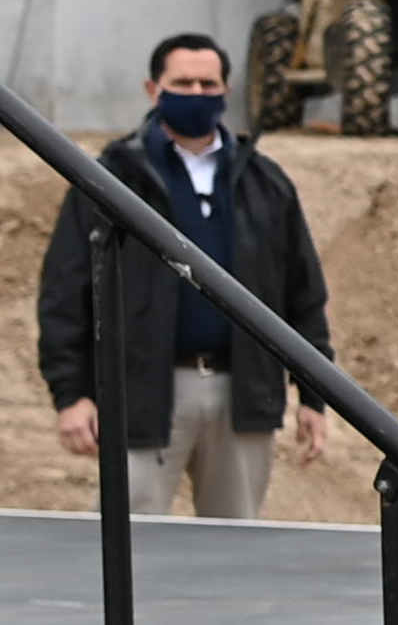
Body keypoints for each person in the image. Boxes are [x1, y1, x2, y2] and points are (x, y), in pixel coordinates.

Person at [35, 33, 335, 518]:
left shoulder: (265, 182)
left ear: (225, 89)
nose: (196, 93)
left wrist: (315, 395)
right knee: (129, 550)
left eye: (207, 83)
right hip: (144, 393)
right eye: (183, 83)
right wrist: (71, 395)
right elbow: (65, 293)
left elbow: (303, 294)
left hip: (242, 394)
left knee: (233, 550)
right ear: (153, 90)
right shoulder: (111, 180)